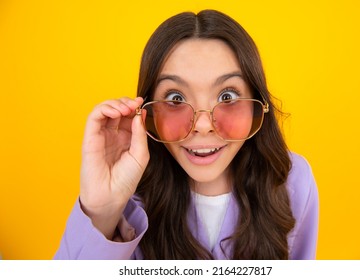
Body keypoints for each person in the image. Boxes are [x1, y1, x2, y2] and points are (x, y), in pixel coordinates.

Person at [54, 9, 319, 260]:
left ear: (256, 105)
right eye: (176, 98)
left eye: (227, 96)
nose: (203, 126)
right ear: (149, 111)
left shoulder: (293, 180)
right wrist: (102, 211)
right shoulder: (128, 193)